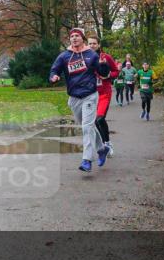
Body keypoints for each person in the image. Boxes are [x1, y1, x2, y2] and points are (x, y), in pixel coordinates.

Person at [49, 28, 110, 172]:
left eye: (77, 36)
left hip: (89, 95)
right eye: (72, 36)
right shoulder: (64, 56)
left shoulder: (91, 55)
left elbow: (104, 74)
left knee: (86, 126)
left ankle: (87, 160)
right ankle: (102, 149)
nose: (74, 38)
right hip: (74, 98)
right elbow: (54, 70)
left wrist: (103, 65)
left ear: (82, 38)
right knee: (88, 127)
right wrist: (53, 77)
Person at [87, 36, 118, 157]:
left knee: (99, 118)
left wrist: (108, 75)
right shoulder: (85, 58)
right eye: (90, 43)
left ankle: (108, 143)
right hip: (91, 95)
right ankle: (103, 144)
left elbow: (116, 71)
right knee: (94, 121)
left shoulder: (106, 57)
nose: (92, 46)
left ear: (99, 45)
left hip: (104, 93)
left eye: (94, 43)